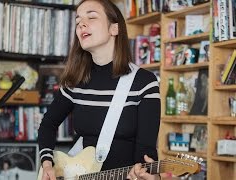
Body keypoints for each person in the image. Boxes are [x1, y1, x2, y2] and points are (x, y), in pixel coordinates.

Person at [38, 0, 160, 180]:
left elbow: (146, 151)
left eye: (91, 17)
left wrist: (150, 175)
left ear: (114, 29)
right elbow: (48, 124)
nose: (82, 25)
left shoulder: (144, 82)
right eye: (78, 21)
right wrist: (47, 163)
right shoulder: (75, 82)